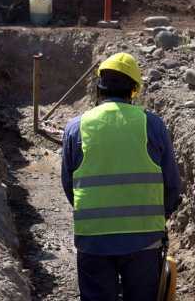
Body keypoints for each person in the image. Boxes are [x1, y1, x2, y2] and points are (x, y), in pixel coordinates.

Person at [61, 53, 182, 301]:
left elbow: (68, 184)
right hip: (143, 240)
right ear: (134, 90)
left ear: (98, 89)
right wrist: (158, 217)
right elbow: (171, 186)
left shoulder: (76, 127)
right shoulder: (152, 126)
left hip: (93, 239)